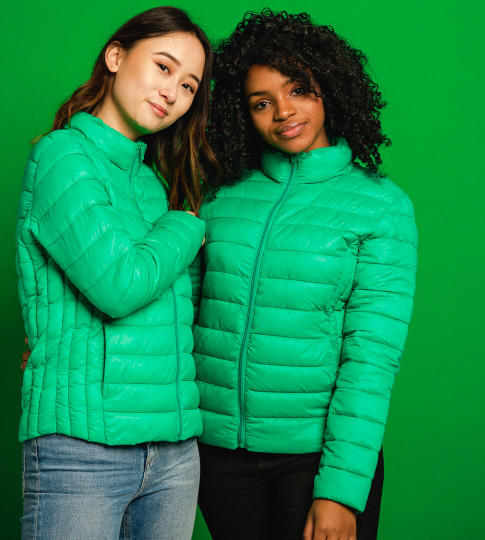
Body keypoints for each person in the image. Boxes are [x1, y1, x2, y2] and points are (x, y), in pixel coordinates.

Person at [191, 9, 418, 540]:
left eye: (299, 90)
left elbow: (372, 358)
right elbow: (180, 309)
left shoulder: (380, 206)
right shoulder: (220, 196)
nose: (283, 113)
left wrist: (339, 489)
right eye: (261, 102)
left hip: (315, 461)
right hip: (218, 455)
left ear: (329, 89)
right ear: (240, 112)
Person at [14, 7, 216, 539]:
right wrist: (186, 227)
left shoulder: (154, 184)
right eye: (163, 67)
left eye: (190, 85)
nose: (173, 92)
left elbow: (181, 313)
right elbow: (119, 285)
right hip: (84, 449)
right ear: (116, 55)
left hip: (173, 451)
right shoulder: (62, 157)